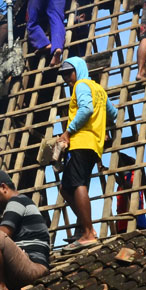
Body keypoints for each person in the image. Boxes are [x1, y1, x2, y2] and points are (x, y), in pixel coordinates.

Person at [57, 57, 116, 251]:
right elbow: (112, 113)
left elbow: (86, 109)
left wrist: (67, 132)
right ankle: (85, 226)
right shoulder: (97, 88)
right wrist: (103, 127)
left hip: (80, 142)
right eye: (64, 74)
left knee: (76, 184)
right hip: (94, 145)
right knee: (66, 187)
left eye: (69, 72)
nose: (67, 78)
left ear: (78, 70)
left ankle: (88, 232)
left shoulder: (81, 86)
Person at [0, 170, 50, 290]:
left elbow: (4, 233)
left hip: (33, 266)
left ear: (3, 187)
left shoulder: (17, 201)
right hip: (21, 269)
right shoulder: (18, 203)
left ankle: (0, 288)